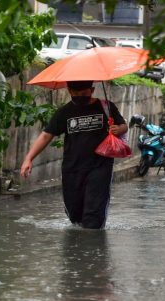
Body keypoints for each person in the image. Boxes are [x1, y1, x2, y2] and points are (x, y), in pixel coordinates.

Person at [20, 80, 128, 229]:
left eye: (84, 93)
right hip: (72, 167)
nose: (80, 96)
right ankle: (78, 244)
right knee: (74, 212)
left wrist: (118, 129)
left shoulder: (106, 107)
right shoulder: (64, 112)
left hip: (100, 166)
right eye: (76, 94)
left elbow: (123, 125)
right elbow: (46, 136)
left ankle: (93, 244)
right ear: (69, 91)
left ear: (92, 89)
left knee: (93, 213)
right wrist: (28, 158)